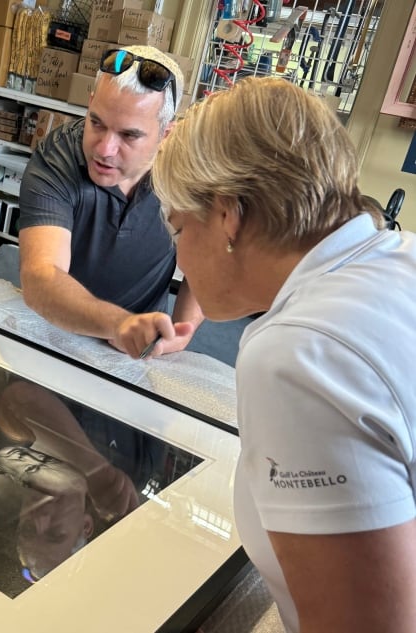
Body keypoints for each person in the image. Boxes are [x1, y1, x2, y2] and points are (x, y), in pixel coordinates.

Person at [151, 76, 416, 633]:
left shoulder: (296, 354)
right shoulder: (400, 257)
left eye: (177, 227)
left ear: (228, 214)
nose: (178, 255)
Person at [18, 45, 203, 360]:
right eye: (97, 123)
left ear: (166, 134)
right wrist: (119, 324)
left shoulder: (188, 173)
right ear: (90, 103)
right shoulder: (58, 158)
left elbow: (206, 258)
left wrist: (182, 331)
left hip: (139, 351)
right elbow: (41, 276)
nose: (104, 149)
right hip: (53, 332)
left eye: (129, 136)